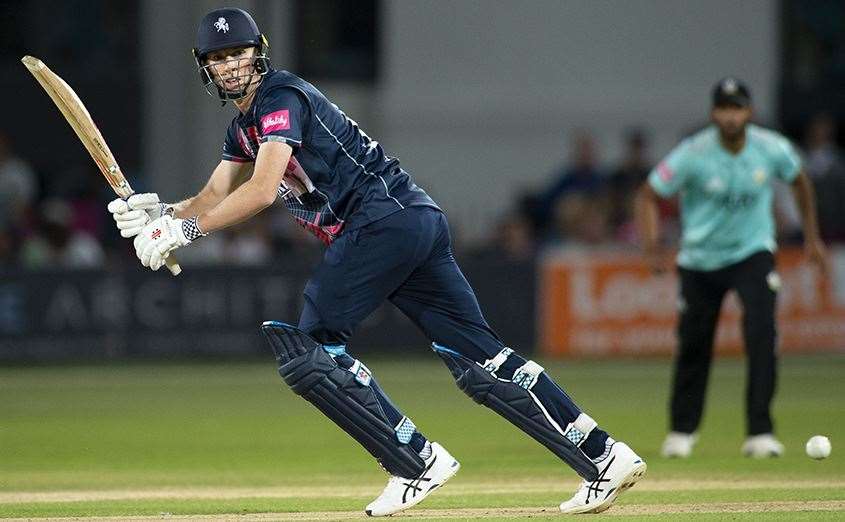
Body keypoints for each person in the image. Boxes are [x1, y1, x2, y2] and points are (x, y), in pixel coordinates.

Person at [107, 8, 645, 516]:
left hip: (378, 221)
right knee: (479, 359)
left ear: (259, 53)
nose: (230, 66)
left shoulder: (280, 97)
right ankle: (604, 456)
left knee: (311, 350)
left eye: (239, 53)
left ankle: (416, 461)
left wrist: (184, 231)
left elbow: (263, 189)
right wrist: (157, 211)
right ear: (205, 68)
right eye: (218, 59)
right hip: (414, 219)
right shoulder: (241, 127)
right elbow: (210, 197)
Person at [634, 78, 828, 459]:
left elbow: (800, 181)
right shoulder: (693, 153)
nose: (730, 116)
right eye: (723, 108)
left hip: (752, 254)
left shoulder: (771, 147)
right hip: (700, 259)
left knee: (761, 336)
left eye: (737, 108)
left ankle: (760, 433)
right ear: (713, 113)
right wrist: (651, 245)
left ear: (749, 112)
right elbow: (649, 194)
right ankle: (681, 431)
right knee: (694, 343)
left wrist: (812, 237)